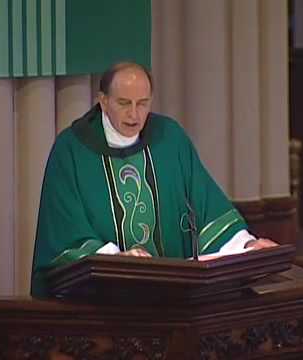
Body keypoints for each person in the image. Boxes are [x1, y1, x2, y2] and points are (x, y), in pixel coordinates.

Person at [31, 62, 276, 297]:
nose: (134, 114)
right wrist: (115, 260)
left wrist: (245, 244)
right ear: (103, 101)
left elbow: (205, 205)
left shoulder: (169, 138)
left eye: (142, 103)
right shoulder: (72, 149)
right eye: (124, 103)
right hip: (102, 302)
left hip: (176, 298)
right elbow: (64, 231)